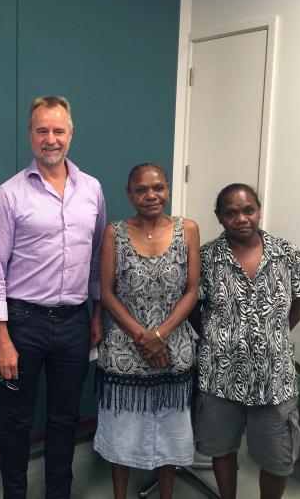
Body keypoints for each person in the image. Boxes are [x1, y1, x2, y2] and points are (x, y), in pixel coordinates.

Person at [0, 95, 107, 499]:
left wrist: (95, 315)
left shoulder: (92, 190)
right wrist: (0, 338)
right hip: (23, 324)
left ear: (70, 134)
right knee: (17, 422)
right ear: (30, 135)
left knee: (64, 420)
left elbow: (96, 257)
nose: (50, 139)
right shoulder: (9, 195)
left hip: (74, 323)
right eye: (42, 130)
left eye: (58, 130)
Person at [191, 183, 300, 499]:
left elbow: (298, 302)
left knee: (278, 457)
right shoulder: (205, 258)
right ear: (219, 217)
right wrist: (220, 339)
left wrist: (270, 336)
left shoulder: (287, 254)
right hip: (221, 374)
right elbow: (193, 309)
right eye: (230, 213)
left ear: (258, 210)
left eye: (248, 210)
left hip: (274, 378)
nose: (241, 218)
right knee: (222, 447)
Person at [94, 163, 200, 499]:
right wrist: (143, 336)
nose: (150, 195)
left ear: (167, 188)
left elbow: (192, 290)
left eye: (158, 187)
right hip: (126, 350)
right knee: (120, 433)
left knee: (169, 432)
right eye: (141, 189)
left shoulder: (189, 229)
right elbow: (107, 292)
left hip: (173, 349)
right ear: (129, 194)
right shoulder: (115, 232)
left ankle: (166, 494)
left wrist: (160, 335)